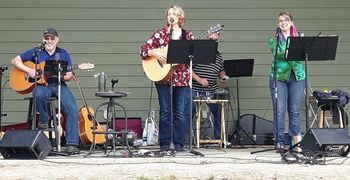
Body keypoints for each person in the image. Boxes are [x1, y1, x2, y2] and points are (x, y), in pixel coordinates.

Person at [11, 28, 80, 155]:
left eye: (52, 38)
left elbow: (69, 75)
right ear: (43, 39)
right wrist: (28, 70)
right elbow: (15, 61)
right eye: (47, 38)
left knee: (71, 107)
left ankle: (72, 143)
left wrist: (61, 75)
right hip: (41, 85)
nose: (49, 41)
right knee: (38, 93)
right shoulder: (36, 52)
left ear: (57, 40)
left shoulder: (64, 53)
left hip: (59, 84)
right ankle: (44, 118)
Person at [140, 5, 194, 152]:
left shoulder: (187, 36)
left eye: (174, 14)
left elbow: (192, 55)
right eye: (169, 14)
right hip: (163, 78)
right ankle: (164, 144)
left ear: (180, 17)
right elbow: (143, 50)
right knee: (165, 111)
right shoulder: (160, 34)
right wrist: (155, 53)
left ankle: (178, 144)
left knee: (179, 112)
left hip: (181, 78)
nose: (171, 16)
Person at [267, 12, 305, 152]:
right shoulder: (274, 40)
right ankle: (280, 142)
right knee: (279, 111)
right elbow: (281, 55)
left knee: (294, 111)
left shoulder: (299, 38)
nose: (283, 23)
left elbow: (302, 54)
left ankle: (296, 143)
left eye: (286, 20)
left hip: (297, 76)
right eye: (280, 21)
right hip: (279, 77)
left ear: (292, 22)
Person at [191, 32, 229, 140]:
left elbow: (220, 70)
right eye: (211, 39)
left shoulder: (218, 56)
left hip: (212, 89)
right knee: (188, 113)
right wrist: (199, 79)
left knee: (219, 113)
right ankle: (185, 142)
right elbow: (188, 69)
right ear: (206, 39)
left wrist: (223, 77)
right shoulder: (198, 52)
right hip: (195, 88)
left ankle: (219, 140)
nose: (213, 41)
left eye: (215, 40)